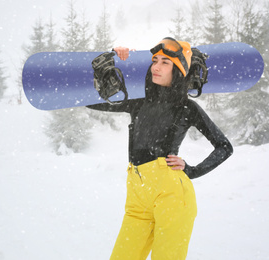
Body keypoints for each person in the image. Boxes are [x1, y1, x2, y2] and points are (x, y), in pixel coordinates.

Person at [87, 37, 233, 260]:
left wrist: (192, 171)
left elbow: (224, 146)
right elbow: (88, 101)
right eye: (155, 60)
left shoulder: (186, 106)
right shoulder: (138, 101)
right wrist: (109, 61)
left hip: (172, 196)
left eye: (165, 62)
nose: (156, 66)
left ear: (178, 69)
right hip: (137, 196)